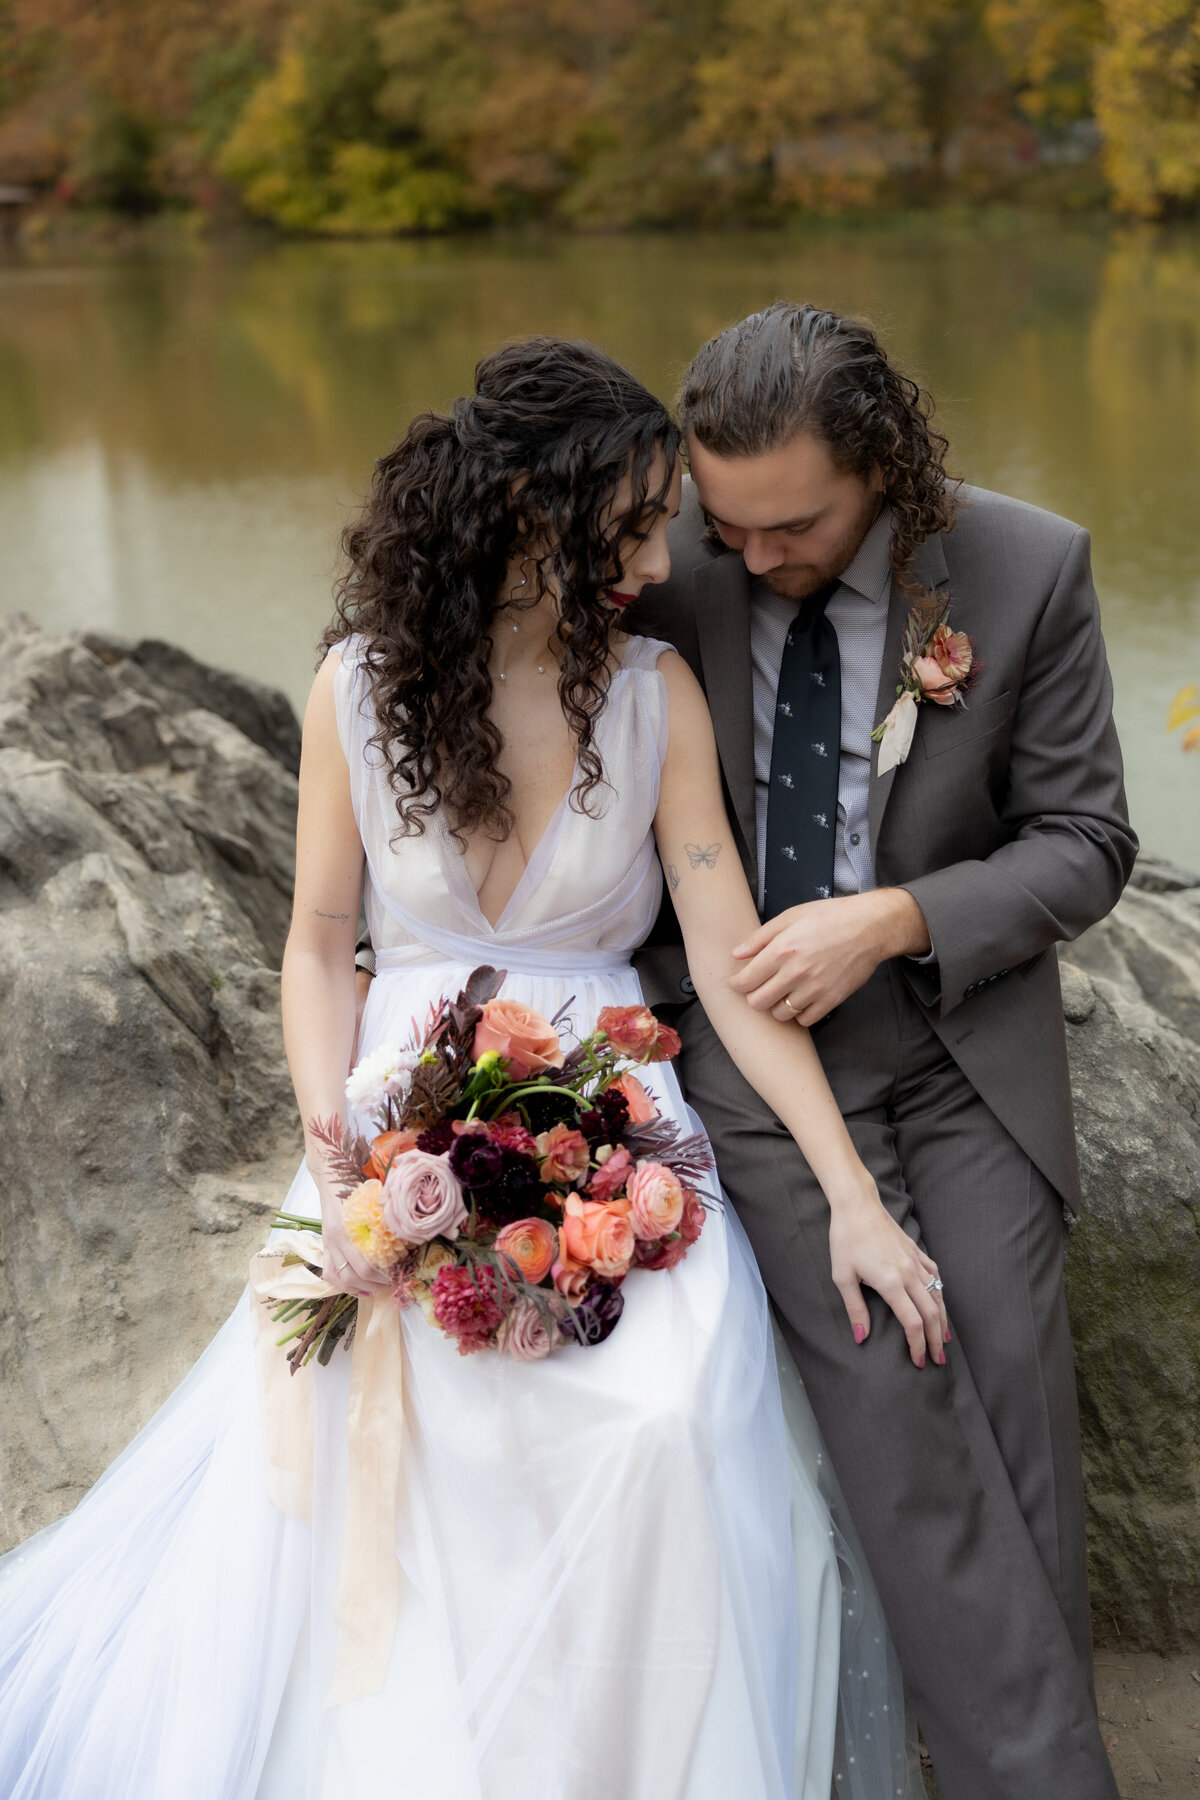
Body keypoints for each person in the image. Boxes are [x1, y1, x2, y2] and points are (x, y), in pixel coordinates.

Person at [0, 337, 934, 1800]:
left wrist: (852, 1197)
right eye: (629, 523)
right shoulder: (356, 693)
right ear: (529, 520)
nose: (659, 551)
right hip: (395, 1124)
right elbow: (319, 942)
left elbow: (740, 973)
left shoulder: (652, 695)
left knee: (666, 1414)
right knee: (412, 1408)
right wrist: (329, 1131)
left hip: (617, 1118)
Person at [626, 301, 1137, 1800]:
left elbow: (1087, 845)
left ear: (887, 474)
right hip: (745, 1045)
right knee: (891, 1367)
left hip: (956, 1041)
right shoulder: (670, 565)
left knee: (1002, 1357)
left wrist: (895, 918)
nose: (754, 555)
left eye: (793, 526)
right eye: (728, 524)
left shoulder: (1026, 565)